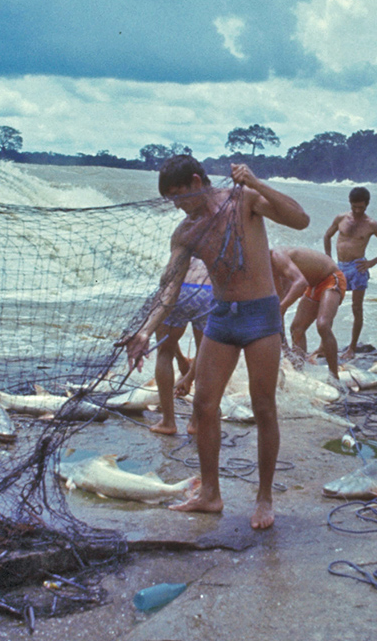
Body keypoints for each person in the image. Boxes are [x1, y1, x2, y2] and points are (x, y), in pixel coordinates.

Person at [122, 156, 309, 530]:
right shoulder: (186, 232)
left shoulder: (243, 199)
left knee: (264, 407)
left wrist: (257, 182)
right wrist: (145, 330)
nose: (177, 204)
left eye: (179, 195)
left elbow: (299, 219)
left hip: (261, 314)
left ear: (196, 182)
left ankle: (264, 497)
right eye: (170, 199)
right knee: (205, 405)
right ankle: (210, 493)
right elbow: (170, 290)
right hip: (221, 315)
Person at [323, 186, 377, 359]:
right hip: (339, 267)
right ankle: (323, 346)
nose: (357, 211)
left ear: (367, 205)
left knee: (357, 308)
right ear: (350, 203)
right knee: (330, 306)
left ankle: (352, 348)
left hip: (357, 269)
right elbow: (327, 236)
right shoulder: (341, 218)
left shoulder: (371, 224)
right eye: (354, 207)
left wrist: (371, 262)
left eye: (361, 208)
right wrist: (328, 259)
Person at [147, 257, 212, 437]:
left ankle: (168, 422)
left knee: (164, 353)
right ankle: (196, 422)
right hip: (209, 291)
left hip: (179, 289)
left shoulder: (185, 235)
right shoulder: (220, 238)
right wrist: (189, 375)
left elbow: (166, 278)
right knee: (206, 354)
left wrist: (179, 358)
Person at [270, 247, 346, 378]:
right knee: (297, 329)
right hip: (313, 286)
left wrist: (280, 308)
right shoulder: (271, 270)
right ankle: (300, 373)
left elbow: (300, 284)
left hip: (331, 278)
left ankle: (334, 376)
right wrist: (285, 348)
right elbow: (279, 306)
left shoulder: (277, 255)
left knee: (323, 325)